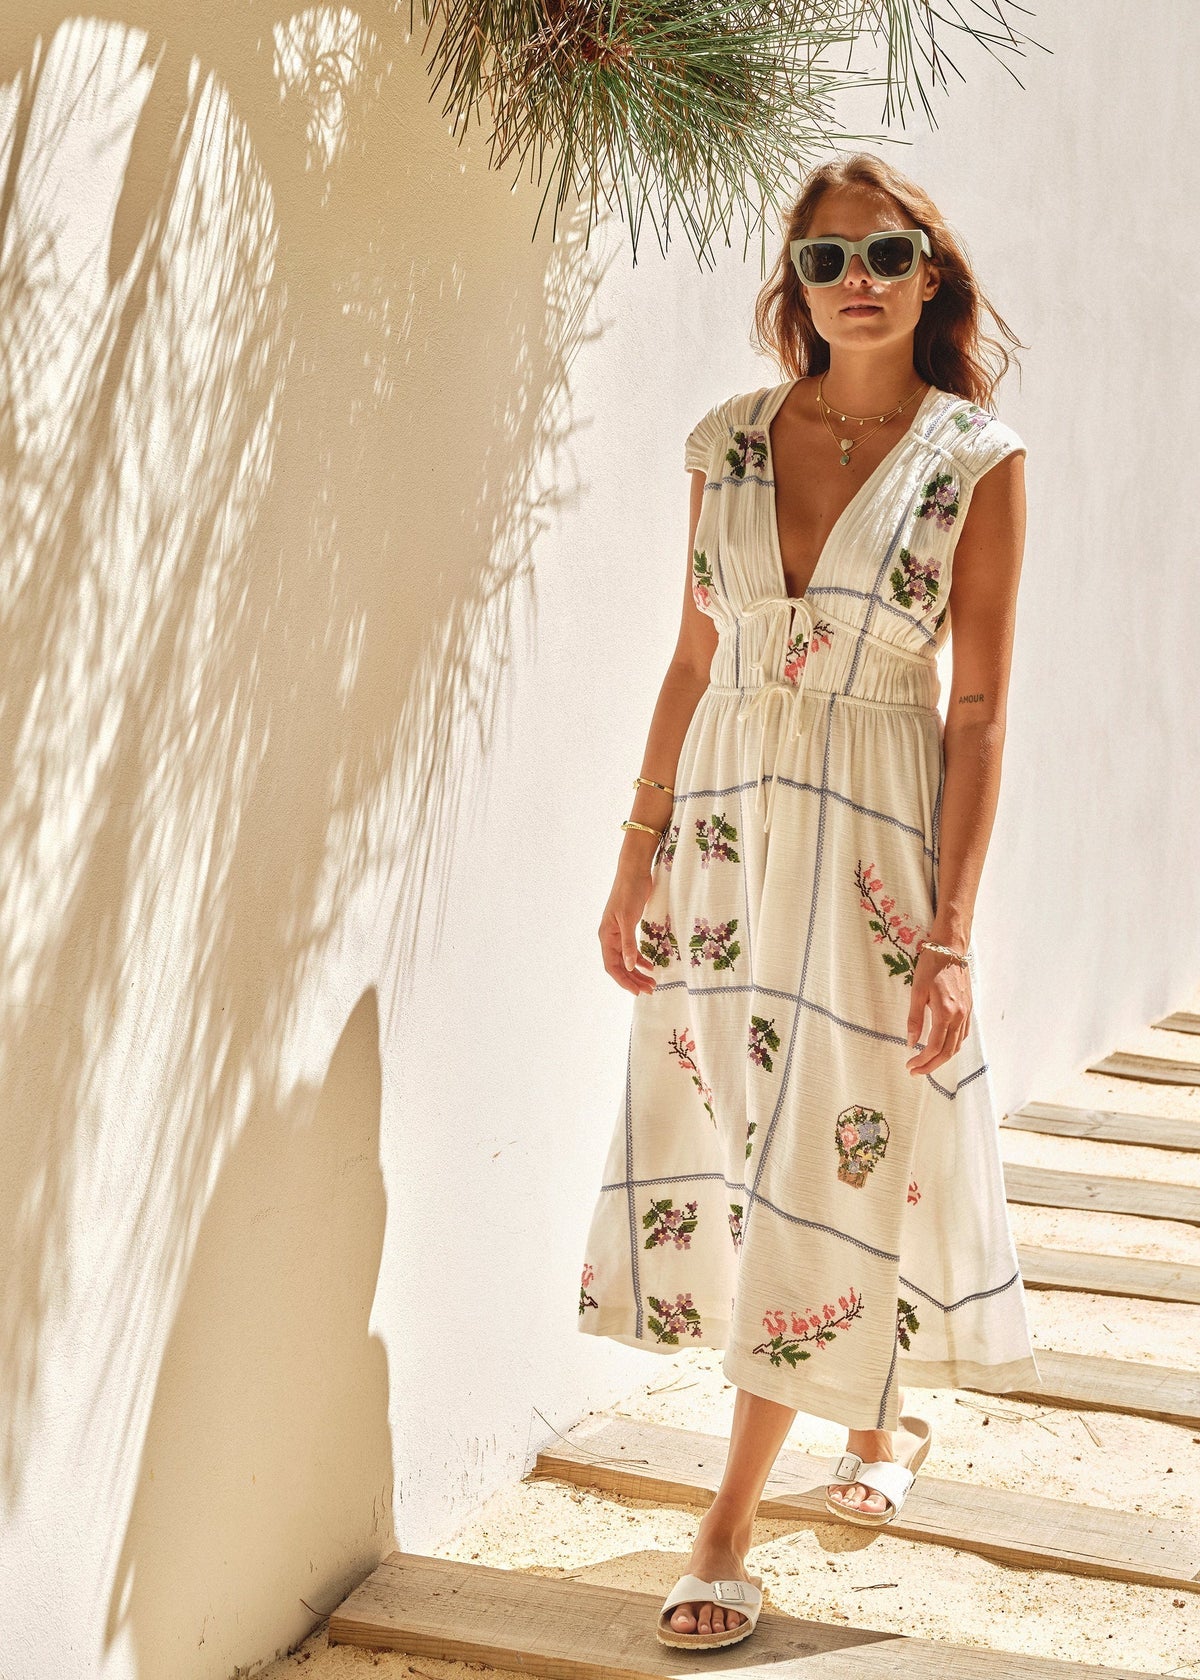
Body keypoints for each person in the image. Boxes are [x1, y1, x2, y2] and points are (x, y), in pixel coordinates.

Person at [577, 151, 1040, 1653]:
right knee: (754, 1138)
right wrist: (635, 848)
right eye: (827, 257)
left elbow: (976, 717)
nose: (858, 281)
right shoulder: (725, 442)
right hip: (724, 832)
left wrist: (951, 930)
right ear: (798, 279)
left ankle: (727, 1516)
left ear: (930, 273)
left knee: (826, 1146)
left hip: (873, 840)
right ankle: (880, 1418)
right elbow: (691, 660)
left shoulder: (976, 459)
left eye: (886, 253)